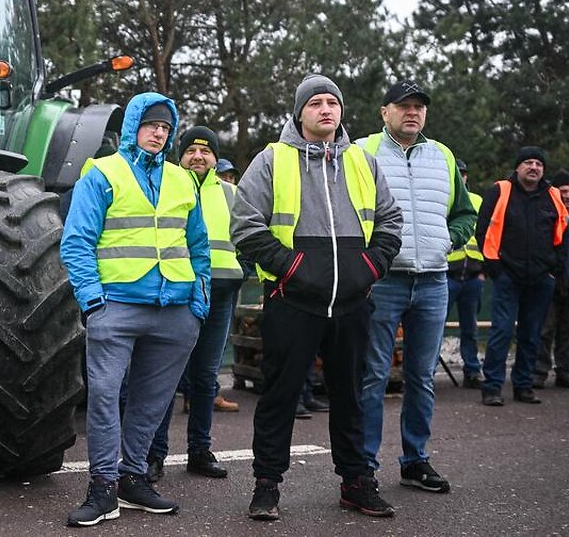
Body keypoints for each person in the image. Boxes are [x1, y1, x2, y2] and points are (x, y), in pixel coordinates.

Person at [231, 74, 403, 521]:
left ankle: (356, 482)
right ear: (299, 112)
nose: (326, 109)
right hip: (292, 301)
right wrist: (291, 269)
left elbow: (390, 220)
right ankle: (266, 484)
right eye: (316, 103)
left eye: (332, 102)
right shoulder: (272, 159)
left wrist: (369, 268)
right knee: (279, 397)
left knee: (352, 398)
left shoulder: (363, 162)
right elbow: (246, 226)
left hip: (353, 302)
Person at [61, 92, 210, 526]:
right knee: (105, 400)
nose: (158, 133)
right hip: (117, 307)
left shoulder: (184, 180)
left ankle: (133, 477)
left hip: (176, 310)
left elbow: (198, 245)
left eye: (165, 127)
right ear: (132, 128)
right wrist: (93, 303)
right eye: (151, 125)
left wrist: (198, 299)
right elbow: (76, 243)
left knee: (153, 401)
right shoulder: (102, 173)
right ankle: (103, 488)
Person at [356, 79, 475, 495]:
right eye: (403, 105)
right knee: (372, 375)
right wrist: (368, 261)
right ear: (384, 112)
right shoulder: (361, 151)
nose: (412, 112)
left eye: (419, 106)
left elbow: (463, 214)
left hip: (433, 282)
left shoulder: (442, 155)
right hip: (382, 282)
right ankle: (364, 465)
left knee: (422, 377)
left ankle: (415, 460)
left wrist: (448, 240)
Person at [144, 126, 243, 483]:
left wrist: (242, 272)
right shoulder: (164, 189)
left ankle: (200, 451)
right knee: (167, 378)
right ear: (179, 156)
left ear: (216, 159)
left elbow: (249, 235)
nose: (198, 157)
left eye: (206, 152)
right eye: (190, 151)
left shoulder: (233, 193)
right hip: (180, 294)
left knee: (206, 378)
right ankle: (155, 455)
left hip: (220, 295)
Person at [476, 148, 569, 406]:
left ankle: (524, 386)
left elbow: (563, 233)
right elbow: (482, 230)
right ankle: (492, 387)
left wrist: (554, 271)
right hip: (508, 276)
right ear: (518, 167)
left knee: (532, 334)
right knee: (501, 332)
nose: (534, 167)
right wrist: (495, 269)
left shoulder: (553, 195)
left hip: (541, 278)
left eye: (539, 163)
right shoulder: (500, 191)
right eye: (528, 162)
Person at [446, 160, 487, 388]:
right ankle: (426, 374)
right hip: (447, 275)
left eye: (463, 174)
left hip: (473, 276)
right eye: (457, 174)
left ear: (466, 177)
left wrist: (484, 271)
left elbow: (485, 235)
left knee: (470, 328)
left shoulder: (477, 201)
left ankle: (472, 371)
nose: (460, 178)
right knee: (434, 327)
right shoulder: (442, 198)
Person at [534, 169, 569, 388]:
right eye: (563, 191)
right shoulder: (547, 213)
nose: (567, 196)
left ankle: (565, 370)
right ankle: (538, 371)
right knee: (544, 329)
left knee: (567, 330)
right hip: (549, 279)